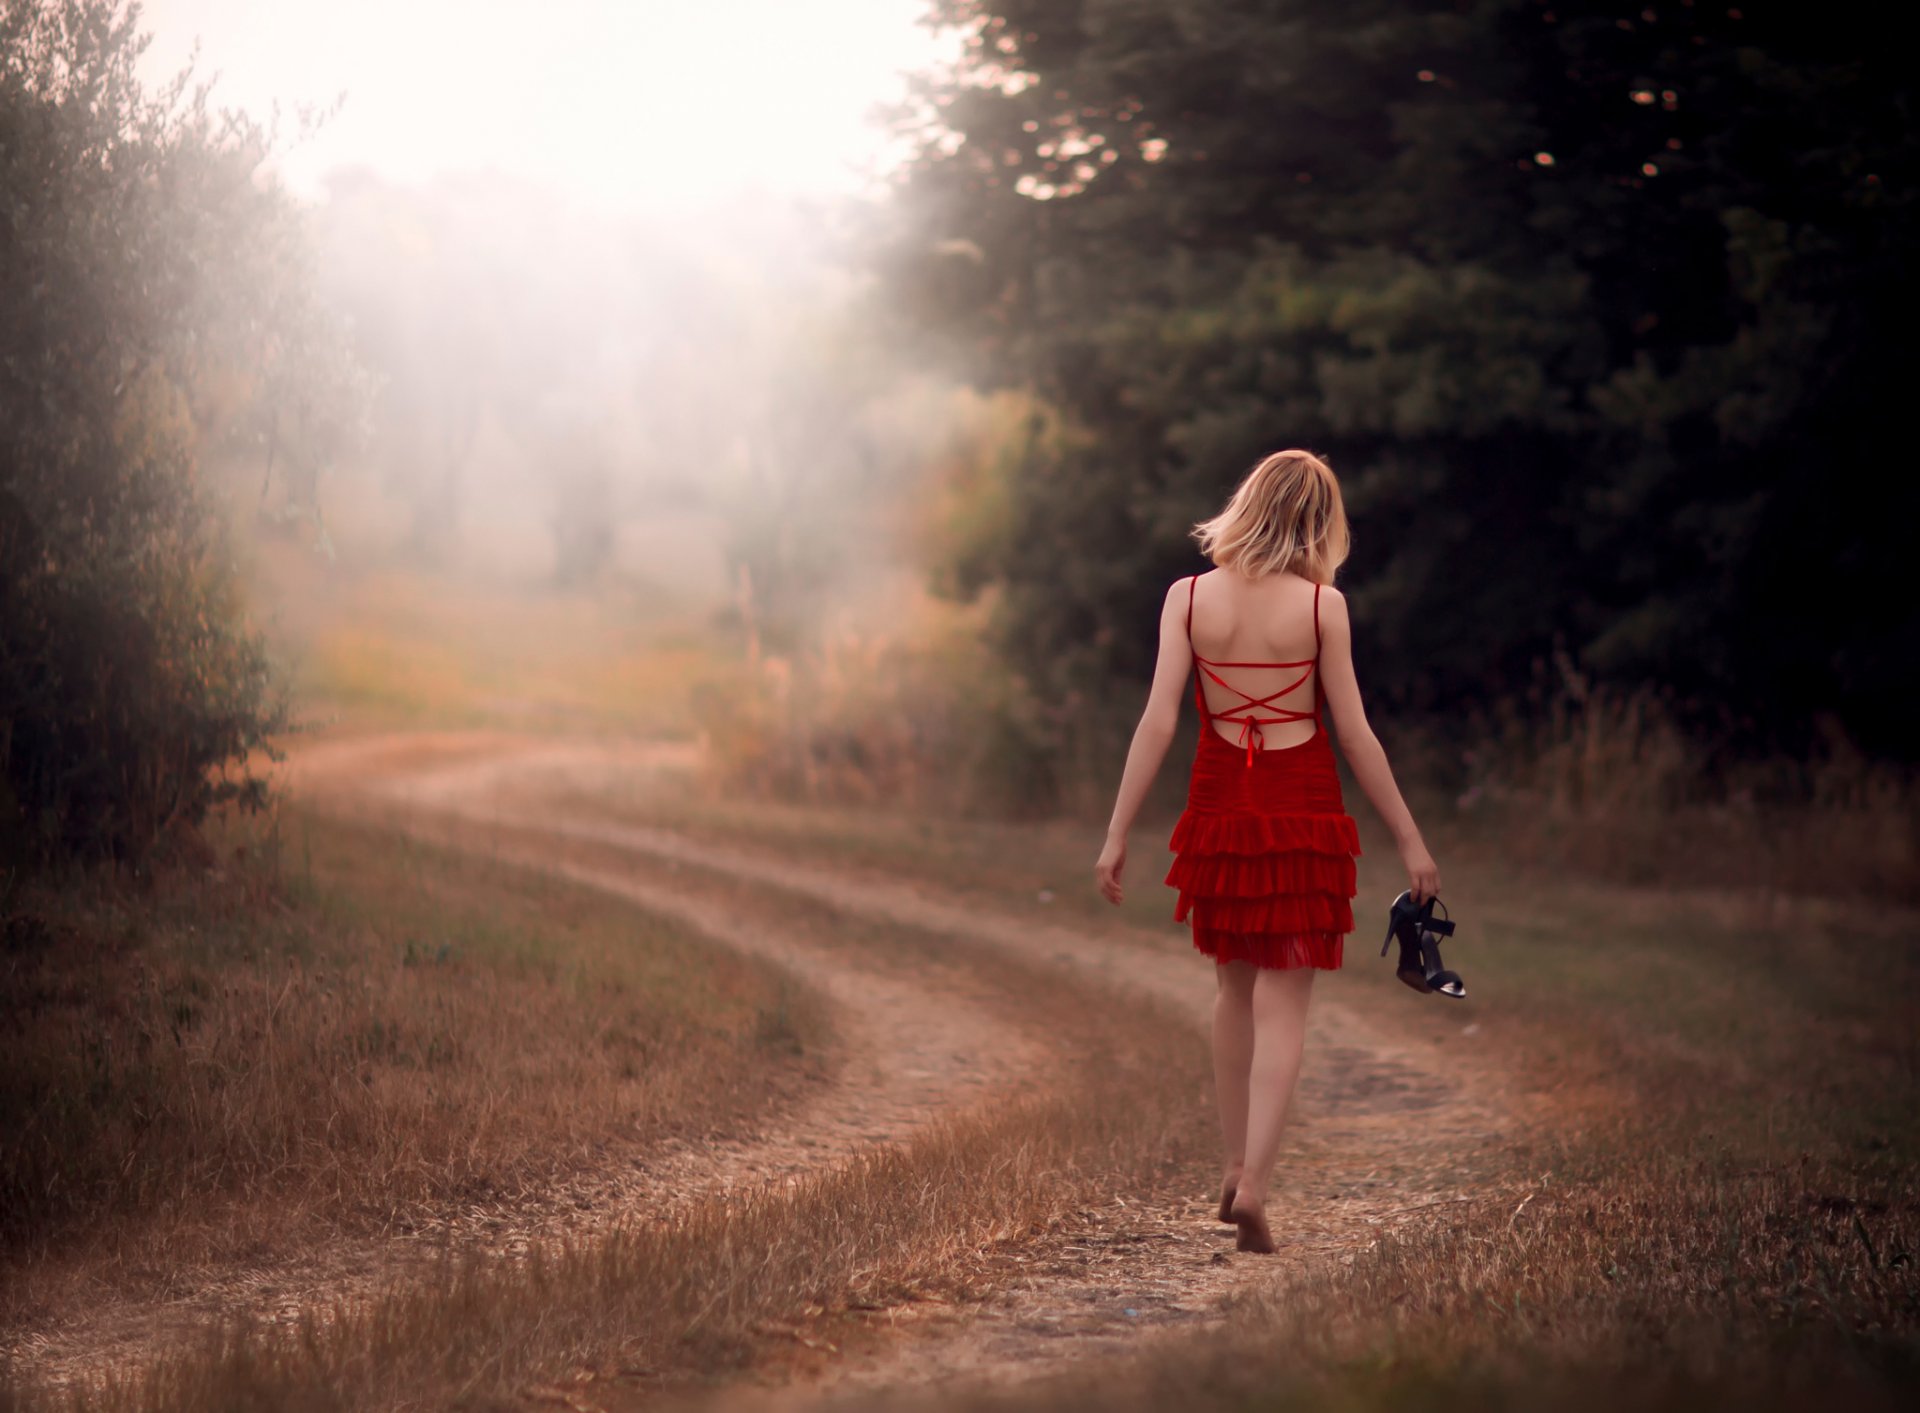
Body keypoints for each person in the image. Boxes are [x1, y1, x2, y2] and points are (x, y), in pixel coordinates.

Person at [1092, 449, 1440, 1254]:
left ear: (1246, 504)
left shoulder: (1186, 598)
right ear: (1321, 523)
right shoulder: (1324, 609)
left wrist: (1116, 832)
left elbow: (1158, 721)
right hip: (1301, 804)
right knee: (1287, 1004)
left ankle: (1231, 1161)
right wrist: (1410, 838)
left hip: (1219, 802)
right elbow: (1354, 733)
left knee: (1231, 991)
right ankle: (1254, 1185)